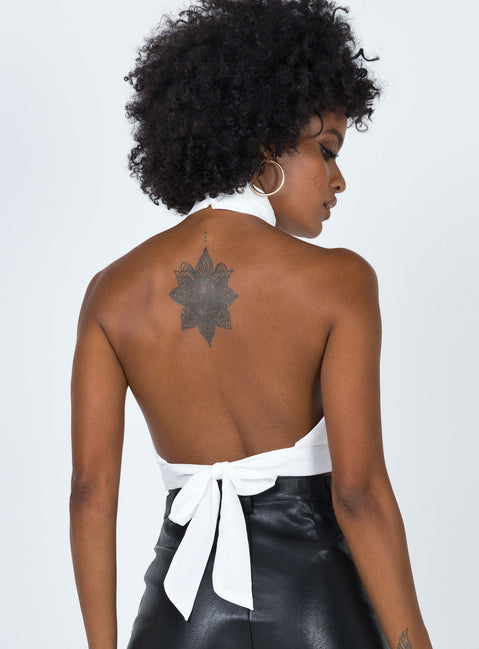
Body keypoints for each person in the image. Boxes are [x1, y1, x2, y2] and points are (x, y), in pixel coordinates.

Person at [69, 1, 434, 648]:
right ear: (266, 143)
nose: (338, 180)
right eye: (327, 150)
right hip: (317, 610)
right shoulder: (340, 281)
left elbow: (90, 492)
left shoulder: (111, 293)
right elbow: (358, 495)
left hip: (178, 618)